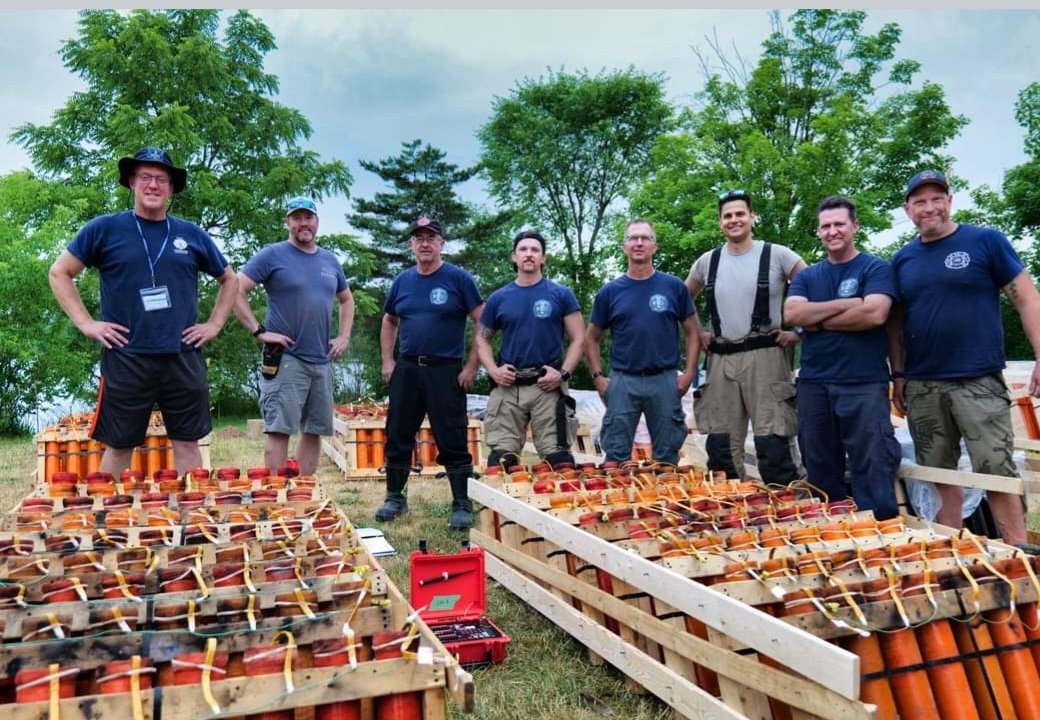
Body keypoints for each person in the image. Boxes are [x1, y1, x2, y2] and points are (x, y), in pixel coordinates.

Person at [48, 146, 237, 475]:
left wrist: (215, 324)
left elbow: (229, 278)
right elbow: (59, 272)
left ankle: (188, 520)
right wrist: (86, 323)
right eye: (146, 177)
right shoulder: (104, 229)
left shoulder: (190, 234)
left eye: (161, 179)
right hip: (126, 355)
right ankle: (111, 523)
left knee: (189, 442)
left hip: (183, 354)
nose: (153, 185)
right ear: (132, 183)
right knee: (120, 444)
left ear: (172, 188)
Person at [890, 170, 1040, 546]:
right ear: (908, 210)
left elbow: (1025, 297)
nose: (929, 208)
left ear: (949, 201)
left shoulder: (984, 241)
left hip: (977, 379)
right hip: (923, 385)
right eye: (919, 201)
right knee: (939, 473)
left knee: (995, 471)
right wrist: (899, 376)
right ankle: (953, 551)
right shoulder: (902, 259)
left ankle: (1018, 556)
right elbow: (895, 326)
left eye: (936, 198)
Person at [783, 196, 900, 518]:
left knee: (872, 463)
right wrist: (847, 304)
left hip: (862, 382)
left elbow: (874, 315)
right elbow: (792, 312)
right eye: (826, 226)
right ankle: (830, 533)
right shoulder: (808, 276)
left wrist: (815, 321)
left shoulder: (876, 268)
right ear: (819, 232)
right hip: (814, 384)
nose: (832, 231)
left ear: (854, 226)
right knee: (819, 464)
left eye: (839, 224)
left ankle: (880, 533)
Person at [686, 189, 806, 483]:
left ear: (752, 217)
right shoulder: (707, 262)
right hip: (720, 358)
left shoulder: (778, 255)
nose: (734, 220)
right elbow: (680, 298)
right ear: (720, 222)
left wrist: (798, 332)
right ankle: (733, 515)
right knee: (720, 446)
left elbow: (816, 285)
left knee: (773, 440)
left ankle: (788, 512)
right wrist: (697, 330)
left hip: (766, 356)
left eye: (740, 214)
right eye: (727, 216)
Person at [233, 197, 354, 477]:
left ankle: (304, 493)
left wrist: (344, 336)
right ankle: (278, 498)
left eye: (308, 217)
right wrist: (259, 331)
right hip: (286, 358)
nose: (303, 223)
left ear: (317, 222)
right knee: (280, 429)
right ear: (288, 223)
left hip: (321, 360)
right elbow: (235, 289)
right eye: (297, 218)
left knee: (314, 430)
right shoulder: (272, 255)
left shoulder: (329, 260)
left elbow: (347, 301)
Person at [376, 216, 483, 529]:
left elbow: (483, 321)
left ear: (441, 244)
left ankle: (461, 503)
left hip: (446, 371)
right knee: (398, 433)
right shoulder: (402, 282)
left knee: (452, 435)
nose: (424, 243)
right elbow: (389, 321)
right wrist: (387, 361)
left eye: (431, 238)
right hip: (408, 368)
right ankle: (395, 497)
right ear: (411, 245)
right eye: (418, 238)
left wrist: (472, 365)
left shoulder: (459, 279)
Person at [585, 219, 699, 467]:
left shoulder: (674, 287)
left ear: (654, 246)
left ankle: (663, 504)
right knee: (615, 455)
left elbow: (693, 332)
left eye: (645, 238)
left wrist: (689, 372)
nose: (639, 243)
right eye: (633, 238)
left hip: (664, 380)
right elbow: (591, 338)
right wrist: (597, 376)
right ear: (624, 246)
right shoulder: (610, 292)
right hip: (624, 380)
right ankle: (616, 503)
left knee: (667, 455)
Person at [475, 230, 584, 471]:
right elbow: (482, 340)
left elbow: (579, 339)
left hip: (548, 385)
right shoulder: (498, 298)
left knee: (560, 461)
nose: (529, 254)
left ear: (543, 258)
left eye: (535, 250)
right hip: (508, 386)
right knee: (501, 461)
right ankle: (502, 508)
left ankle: (557, 508)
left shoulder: (561, 294)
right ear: (514, 257)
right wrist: (493, 370)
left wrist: (563, 373)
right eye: (523, 250)